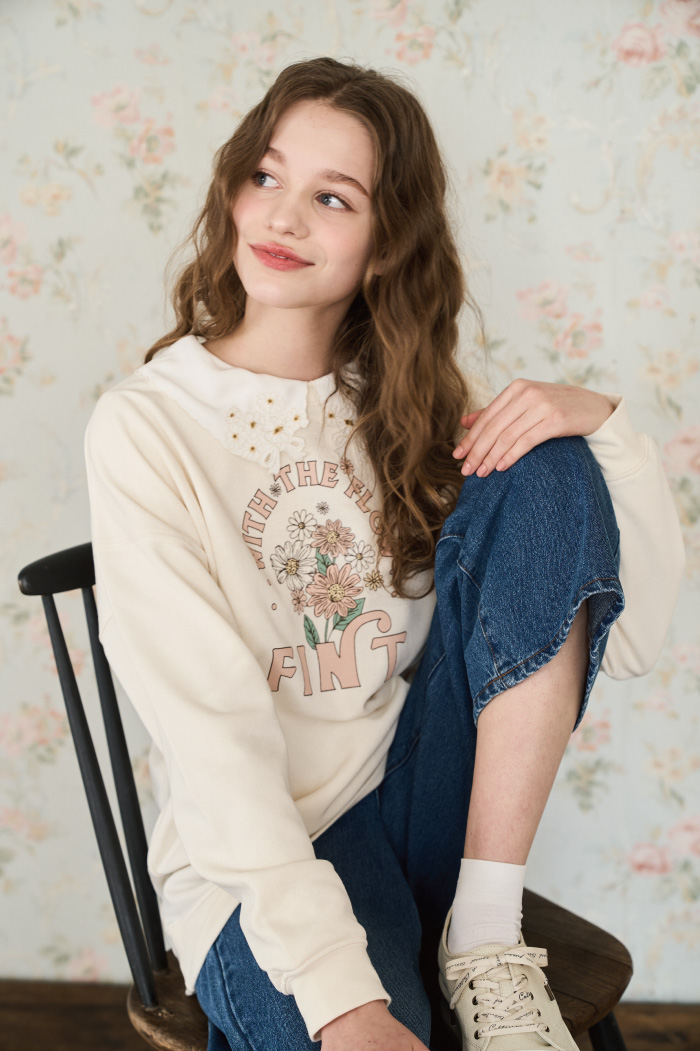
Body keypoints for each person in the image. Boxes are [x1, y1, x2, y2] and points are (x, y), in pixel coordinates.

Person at [83, 56, 685, 1051]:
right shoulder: (146, 428)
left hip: (423, 798)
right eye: (266, 176)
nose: (282, 217)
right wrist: (343, 999)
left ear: (385, 242)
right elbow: (212, 742)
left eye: (332, 197)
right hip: (266, 853)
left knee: (546, 453)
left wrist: (609, 428)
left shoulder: (409, 401)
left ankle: (484, 937)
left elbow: (631, 638)